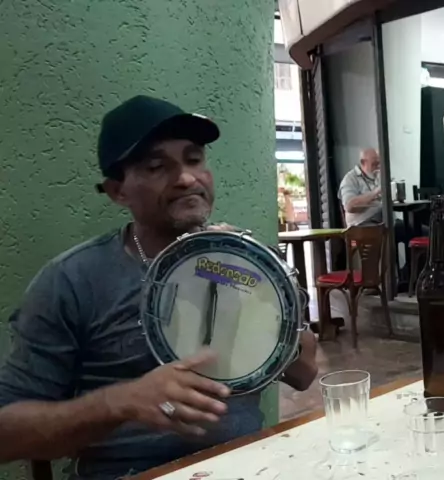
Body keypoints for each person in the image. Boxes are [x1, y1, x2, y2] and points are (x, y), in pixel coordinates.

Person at [0, 95, 319, 479]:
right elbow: (6, 435)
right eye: (156, 167)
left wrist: (267, 300)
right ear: (117, 191)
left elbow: (303, 375)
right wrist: (121, 402)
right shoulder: (72, 280)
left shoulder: (246, 262)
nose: (186, 178)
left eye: (194, 159)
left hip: (249, 466)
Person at [339, 148, 383, 227]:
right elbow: (350, 206)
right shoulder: (350, 179)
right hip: (361, 225)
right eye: (374, 164)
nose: (378, 167)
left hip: (382, 221)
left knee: (403, 226)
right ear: (363, 162)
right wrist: (375, 193)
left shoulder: (378, 175)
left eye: (379, 163)